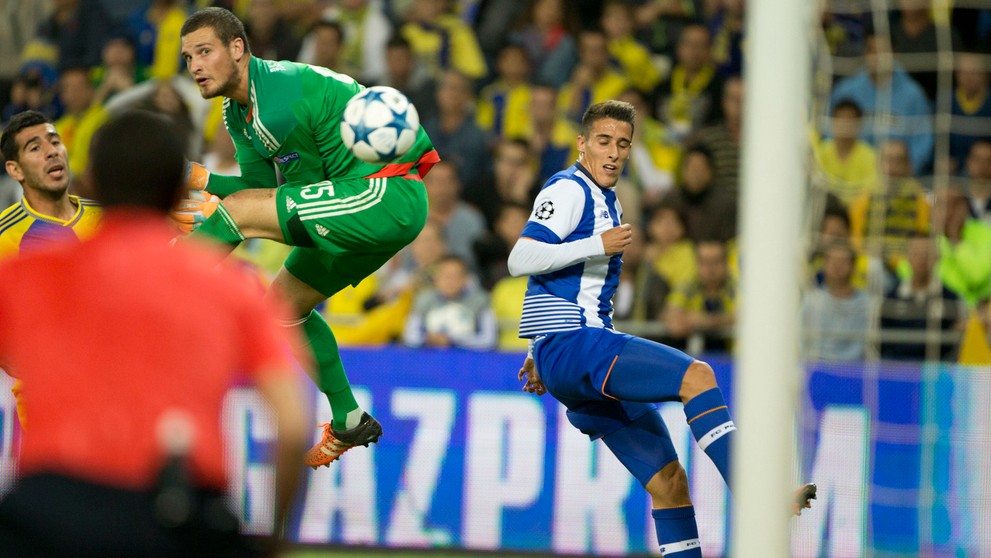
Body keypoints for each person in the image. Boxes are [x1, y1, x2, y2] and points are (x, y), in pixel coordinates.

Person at [509, 100, 814, 557]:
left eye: (623, 144)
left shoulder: (602, 196)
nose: (613, 152)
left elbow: (557, 281)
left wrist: (537, 347)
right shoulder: (570, 190)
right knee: (698, 377)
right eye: (604, 141)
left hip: (566, 353)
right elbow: (521, 258)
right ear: (582, 143)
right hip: (577, 345)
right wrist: (597, 245)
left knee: (670, 483)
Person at [0, 110, 309, 557]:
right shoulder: (229, 285)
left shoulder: (28, 274)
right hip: (177, 509)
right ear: (176, 192)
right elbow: (295, 425)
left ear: (96, 185)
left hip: (53, 505)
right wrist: (277, 536)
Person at [176, 7, 440, 469]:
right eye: (187, 57)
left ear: (237, 48)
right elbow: (268, 195)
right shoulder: (238, 111)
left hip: (383, 193)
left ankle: (155, 285)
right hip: (360, 200)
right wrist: (203, 179)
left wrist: (207, 212)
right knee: (280, 308)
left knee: (236, 217)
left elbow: (276, 202)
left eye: (204, 51)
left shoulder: (279, 99)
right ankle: (349, 417)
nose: (194, 65)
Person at [0, 110, 103, 428]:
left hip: (119, 409)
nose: (51, 151)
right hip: (52, 420)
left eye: (55, 141)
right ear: (15, 170)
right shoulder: (7, 238)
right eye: (35, 147)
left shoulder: (110, 218)